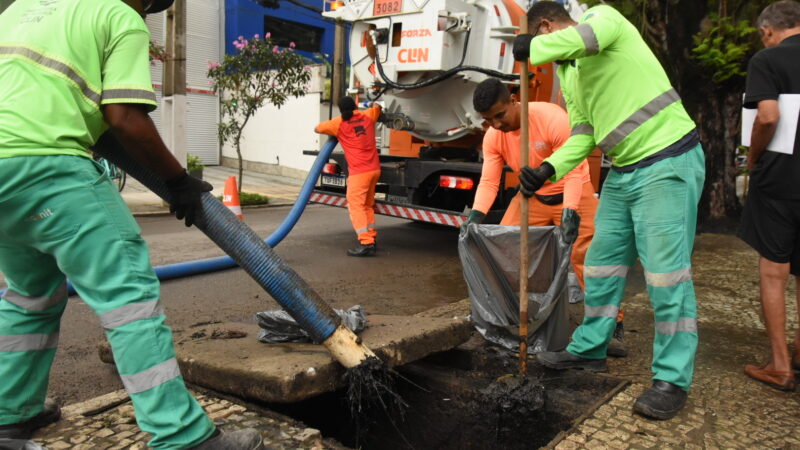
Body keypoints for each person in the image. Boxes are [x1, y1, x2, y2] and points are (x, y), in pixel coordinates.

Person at [0, 0, 263, 448]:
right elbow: (124, 117)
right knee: (128, 298)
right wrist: (179, 182)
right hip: (48, 167)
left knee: (29, 298)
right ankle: (181, 436)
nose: (147, 13)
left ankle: (9, 414)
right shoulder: (117, 15)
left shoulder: (19, 9)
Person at [512, 2, 705, 420]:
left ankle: (672, 378)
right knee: (601, 264)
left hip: (666, 158)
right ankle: (590, 348)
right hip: (623, 170)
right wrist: (548, 169)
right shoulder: (569, 72)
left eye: (541, 39)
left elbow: (585, 39)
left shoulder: (603, 19)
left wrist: (532, 47)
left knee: (665, 275)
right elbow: (584, 134)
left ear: (546, 27)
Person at [463, 79, 627, 356]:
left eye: (500, 115)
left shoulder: (551, 118)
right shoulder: (494, 136)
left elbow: (574, 168)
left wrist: (571, 211)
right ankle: (515, 321)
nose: (497, 124)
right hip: (532, 196)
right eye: (488, 120)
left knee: (591, 262)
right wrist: (476, 216)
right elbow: (490, 182)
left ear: (513, 101)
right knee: (506, 250)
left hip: (575, 191)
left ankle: (610, 326)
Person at [739, 0, 800, 392]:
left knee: (773, 271)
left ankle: (780, 365)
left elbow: (768, 116)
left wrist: (752, 158)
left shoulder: (768, 59)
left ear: (768, 30)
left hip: (781, 180)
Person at [315, 96, 382, 257]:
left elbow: (317, 128)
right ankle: (371, 236)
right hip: (374, 170)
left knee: (356, 206)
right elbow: (378, 108)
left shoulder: (338, 123)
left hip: (359, 173)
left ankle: (366, 242)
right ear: (354, 107)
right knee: (367, 205)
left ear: (340, 109)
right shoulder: (368, 115)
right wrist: (374, 105)